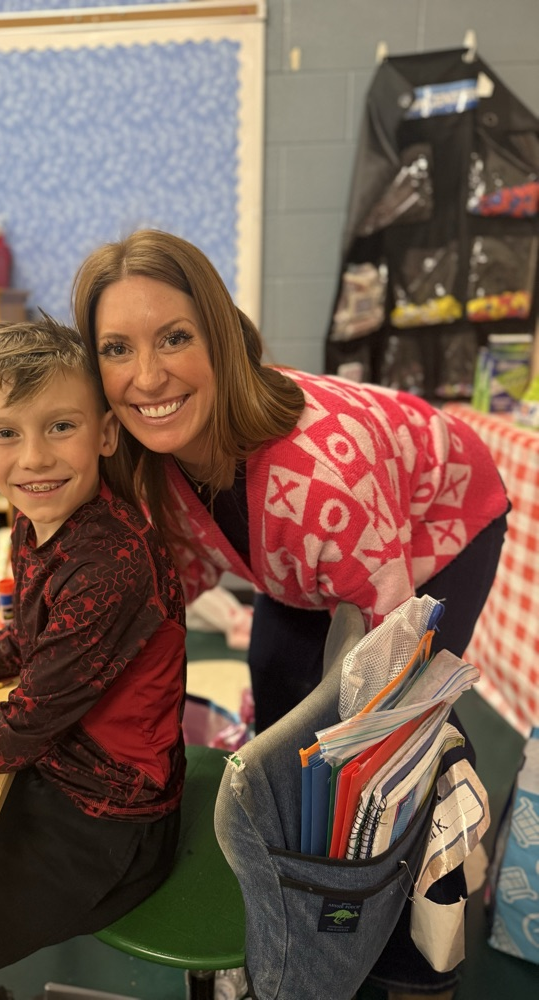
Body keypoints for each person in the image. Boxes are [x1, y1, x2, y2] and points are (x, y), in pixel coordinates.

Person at [72, 229, 510, 1000]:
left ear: (219, 336)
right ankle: (283, 890)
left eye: (175, 337)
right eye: (116, 349)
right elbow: (166, 604)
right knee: (278, 696)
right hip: (309, 541)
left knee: (389, 740)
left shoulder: (323, 480)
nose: (146, 376)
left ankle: (406, 939)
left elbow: (389, 692)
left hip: (440, 514)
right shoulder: (153, 457)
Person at [0, 317, 186, 999]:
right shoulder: (39, 519)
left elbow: (20, 730)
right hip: (60, 779)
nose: (36, 458)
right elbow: (26, 641)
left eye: (60, 427)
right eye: (9, 433)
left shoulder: (105, 562)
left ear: (105, 433)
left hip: (110, 828)